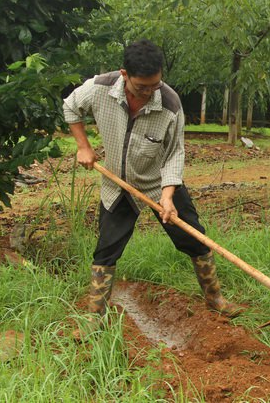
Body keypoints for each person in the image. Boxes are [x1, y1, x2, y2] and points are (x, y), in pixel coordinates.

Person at [62, 39, 243, 325]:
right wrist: (83, 146)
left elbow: (174, 153)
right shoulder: (98, 88)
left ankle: (216, 299)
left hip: (159, 182)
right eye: (141, 87)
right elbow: (70, 108)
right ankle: (95, 319)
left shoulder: (169, 104)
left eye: (154, 86)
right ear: (124, 75)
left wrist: (168, 196)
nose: (148, 93)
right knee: (107, 249)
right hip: (117, 183)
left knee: (194, 238)